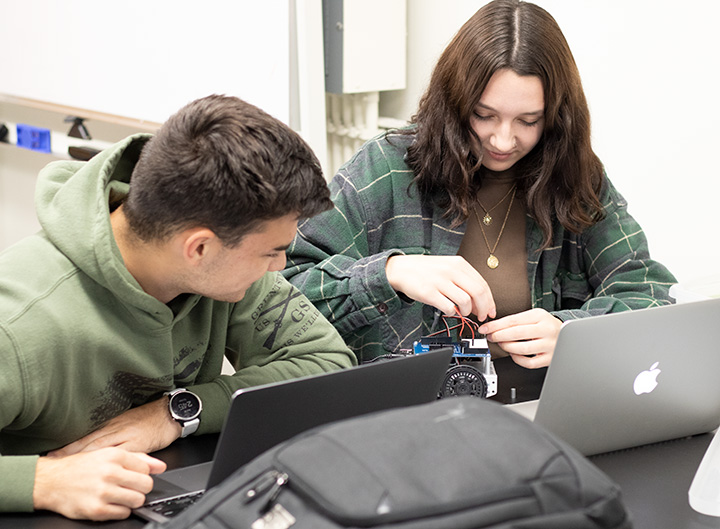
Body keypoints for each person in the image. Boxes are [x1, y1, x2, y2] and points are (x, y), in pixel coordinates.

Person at [0, 95, 356, 520]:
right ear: (199, 248)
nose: (280, 266)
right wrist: (44, 482)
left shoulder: (222, 273)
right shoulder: (19, 321)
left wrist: (174, 412)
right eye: (271, 253)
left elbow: (328, 362)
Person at [283, 0, 676, 368]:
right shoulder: (384, 168)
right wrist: (391, 274)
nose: (504, 141)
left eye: (528, 121)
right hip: (409, 420)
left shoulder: (572, 176)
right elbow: (283, 296)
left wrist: (574, 334)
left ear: (556, 117)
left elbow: (648, 291)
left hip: (537, 410)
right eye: (484, 115)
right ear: (455, 100)